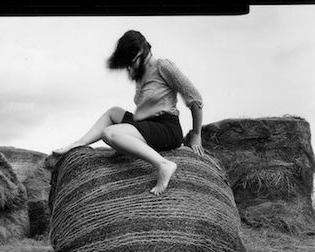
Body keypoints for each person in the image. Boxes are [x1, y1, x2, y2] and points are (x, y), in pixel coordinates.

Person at [52, 30, 204, 195]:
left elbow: (195, 98)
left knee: (109, 133)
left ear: (140, 53)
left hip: (166, 128)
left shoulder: (163, 66)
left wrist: (196, 134)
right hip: (147, 125)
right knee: (114, 112)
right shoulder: (140, 73)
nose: (128, 68)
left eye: (130, 63)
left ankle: (164, 164)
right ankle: (78, 143)